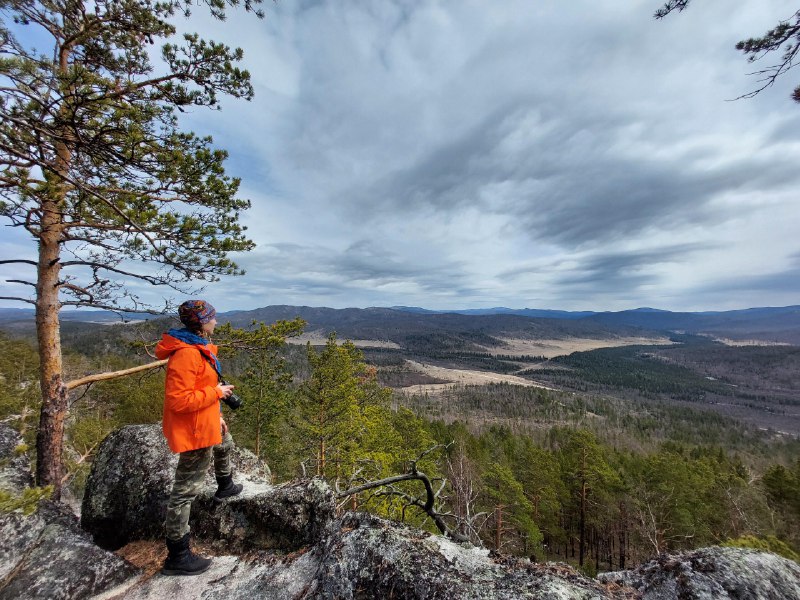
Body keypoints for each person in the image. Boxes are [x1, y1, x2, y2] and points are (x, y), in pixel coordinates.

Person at [155, 299, 243, 576]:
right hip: (193, 430)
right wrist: (217, 394)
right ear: (202, 322)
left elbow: (199, 388)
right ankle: (178, 556)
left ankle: (225, 485)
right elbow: (178, 401)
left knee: (225, 443)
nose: (216, 322)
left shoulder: (196, 347)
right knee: (184, 492)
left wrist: (215, 413)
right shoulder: (187, 354)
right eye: (213, 318)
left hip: (203, 420)